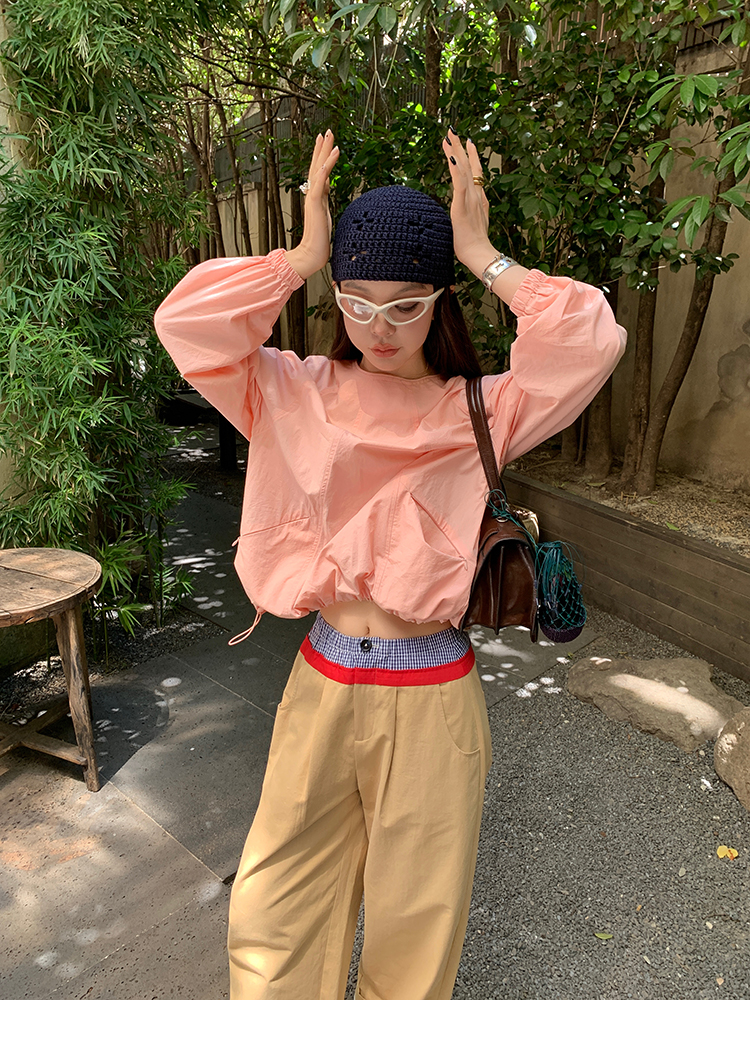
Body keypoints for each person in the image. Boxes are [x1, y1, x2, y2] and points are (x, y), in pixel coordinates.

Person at [154, 129, 626, 1000]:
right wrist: (301, 258)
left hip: (434, 693)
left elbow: (589, 341)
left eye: (406, 306)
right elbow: (186, 325)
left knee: (417, 921)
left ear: (440, 302)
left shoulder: (482, 408)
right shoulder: (289, 390)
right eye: (357, 303)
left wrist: (483, 254)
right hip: (323, 677)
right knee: (273, 910)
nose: (379, 328)